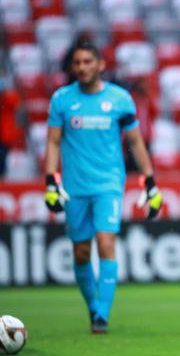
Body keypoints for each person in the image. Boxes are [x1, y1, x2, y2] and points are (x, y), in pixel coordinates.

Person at [44, 42, 163, 334]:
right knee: (81, 252)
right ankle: (93, 308)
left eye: (87, 62)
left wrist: (149, 180)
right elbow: (53, 141)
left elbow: (135, 142)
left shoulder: (120, 99)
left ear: (100, 65)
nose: (82, 67)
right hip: (74, 188)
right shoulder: (61, 99)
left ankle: (102, 316)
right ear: (73, 67)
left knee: (106, 241)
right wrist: (50, 180)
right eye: (77, 63)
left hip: (109, 184)